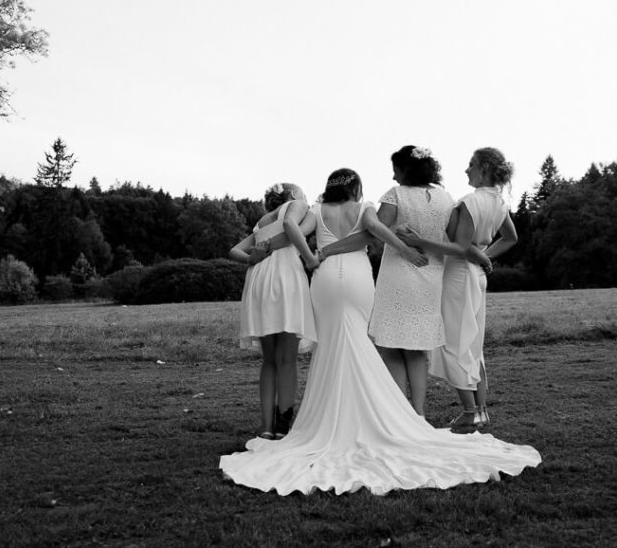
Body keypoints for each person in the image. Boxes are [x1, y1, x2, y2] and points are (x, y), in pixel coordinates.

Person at [219, 168, 540, 495]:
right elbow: (373, 230)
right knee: (359, 341)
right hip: (357, 277)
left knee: (330, 345)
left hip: (326, 281)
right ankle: (381, 416)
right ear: (356, 188)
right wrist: (404, 248)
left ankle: (324, 420)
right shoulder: (364, 207)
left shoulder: (315, 211)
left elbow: (290, 231)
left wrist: (299, 253)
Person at [325, 145, 454, 416]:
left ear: (406, 169)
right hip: (432, 275)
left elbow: (372, 233)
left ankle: (400, 415)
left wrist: (328, 249)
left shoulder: (395, 195)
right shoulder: (446, 198)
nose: (394, 177)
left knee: (391, 345)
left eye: (396, 170)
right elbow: (450, 241)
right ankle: (417, 412)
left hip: (399, 275)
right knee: (417, 348)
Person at [400, 148, 518, 432]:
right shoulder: (499, 202)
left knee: (453, 342)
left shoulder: (469, 202)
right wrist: (485, 255)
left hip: (458, 276)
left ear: (484, 168)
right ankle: (481, 411)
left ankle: (469, 411)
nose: (466, 170)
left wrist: (420, 241)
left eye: (471, 165)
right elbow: (510, 238)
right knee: (473, 342)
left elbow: (460, 248)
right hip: (477, 276)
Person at [228, 182, 316, 440]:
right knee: (287, 359)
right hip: (283, 277)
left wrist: (253, 257)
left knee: (269, 359)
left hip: (258, 279)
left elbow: (234, 251)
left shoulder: (261, 221)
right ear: (293, 195)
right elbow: (291, 232)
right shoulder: (299, 206)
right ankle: (282, 426)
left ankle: (266, 426)